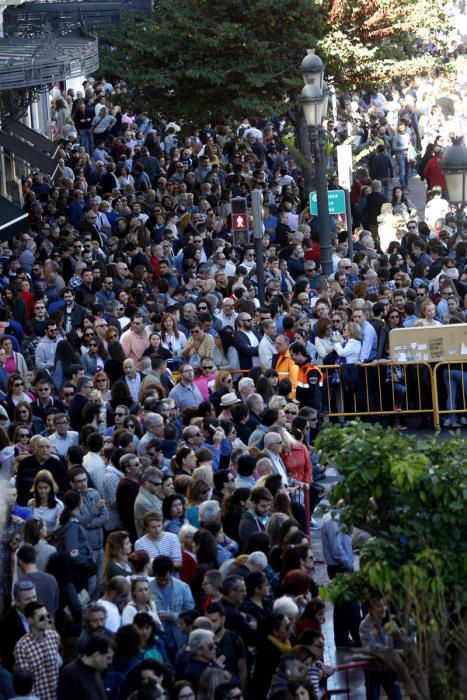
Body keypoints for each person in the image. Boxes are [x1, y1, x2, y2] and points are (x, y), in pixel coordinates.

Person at [14, 600, 61, 700]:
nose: (46, 620)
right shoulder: (22, 647)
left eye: (47, 616)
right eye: (41, 618)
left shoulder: (54, 636)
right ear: (30, 620)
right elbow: (26, 684)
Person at [359, 599, 403, 700]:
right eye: (379, 606)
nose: (383, 609)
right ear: (370, 609)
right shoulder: (364, 625)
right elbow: (372, 650)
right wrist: (395, 652)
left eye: (384, 605)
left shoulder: (390, 622)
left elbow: (399, 642)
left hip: (390, 669)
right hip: (373, 671)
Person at [57, 634, 112, 700]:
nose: (110, 662)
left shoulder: (96, 669)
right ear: (96, 655)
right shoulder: (69, 674)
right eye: (108, 658)